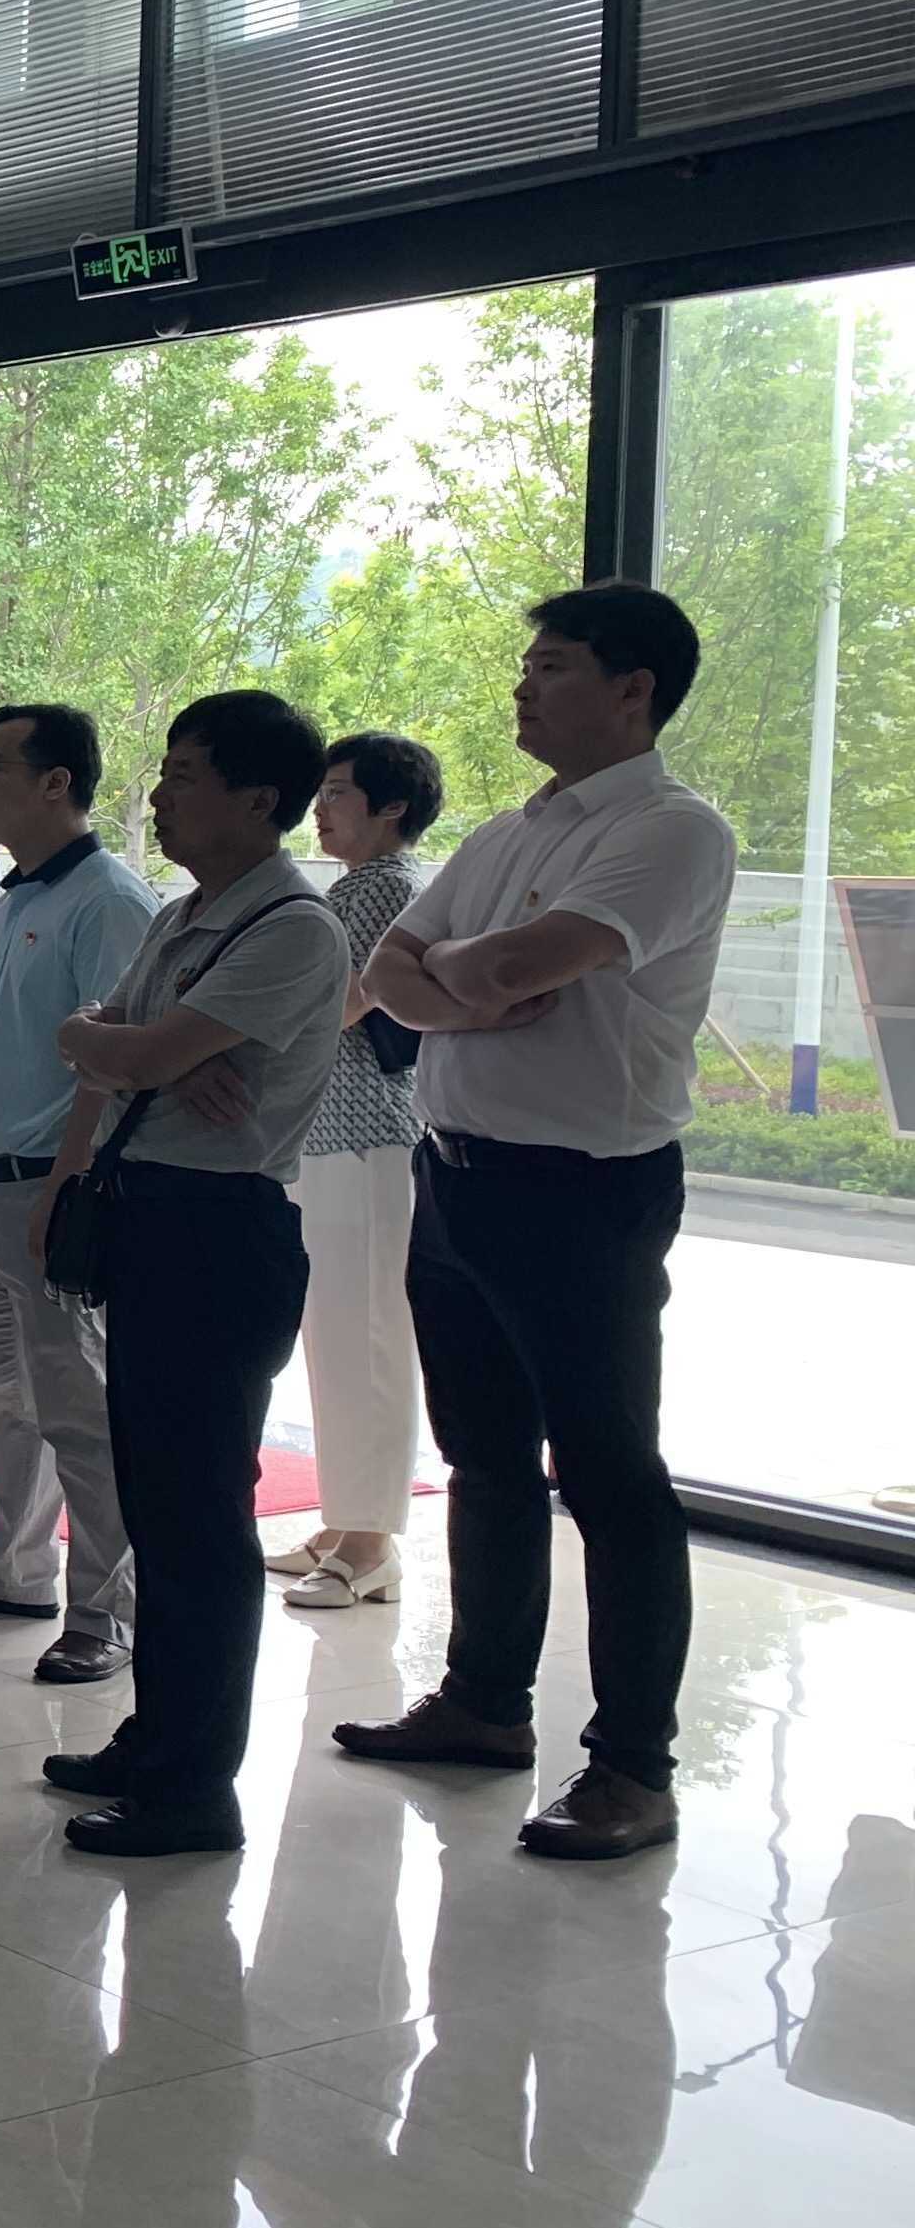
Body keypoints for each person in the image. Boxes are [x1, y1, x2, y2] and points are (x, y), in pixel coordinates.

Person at [340, 583, 735, 1863]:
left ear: (633, 689)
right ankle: (483, 1704)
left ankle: (632, 1770)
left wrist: (460, 977)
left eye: (551, 665)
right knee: (486, 1458)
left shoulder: (673, 831)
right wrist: (466, 987)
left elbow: (513, 965)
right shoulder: (513, 830)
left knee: (611, 1476)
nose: (523, 685)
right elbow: (388, 970)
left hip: (582, 1190)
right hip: (457, 1176)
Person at [38, 691, 350, 1857]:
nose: (160, 795)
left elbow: (138, 1045)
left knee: (199, 1521)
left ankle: (194, 1790)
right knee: (158, 1505)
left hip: (221, 1231)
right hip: (154, 1217)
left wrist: (141, 1052)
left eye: (182, 775)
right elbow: (93, 1035)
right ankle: (155, 1738)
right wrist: (129, 1050)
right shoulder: (187, 914)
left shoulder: (293, 927)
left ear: (257, 799)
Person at [0, 704, 161, 1683]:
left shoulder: (110, 899)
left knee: (79, 1411)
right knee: (5, 1401)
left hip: (52, 1190)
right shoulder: (11, 900)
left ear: (58, 783)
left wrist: (67, 1186)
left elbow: (114, 1064)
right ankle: (12, 1570)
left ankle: (107, 1612)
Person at [276, 729, 442, 1607]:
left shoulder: (389, 890)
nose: (321, 809)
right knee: (339, 1335)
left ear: (393, 806)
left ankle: (373, 1541)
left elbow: (342, 1004)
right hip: (333, 1136)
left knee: (371, 1336)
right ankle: (346, 1521)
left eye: (338, 793)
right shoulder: (357, 888)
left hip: (371, 1136)